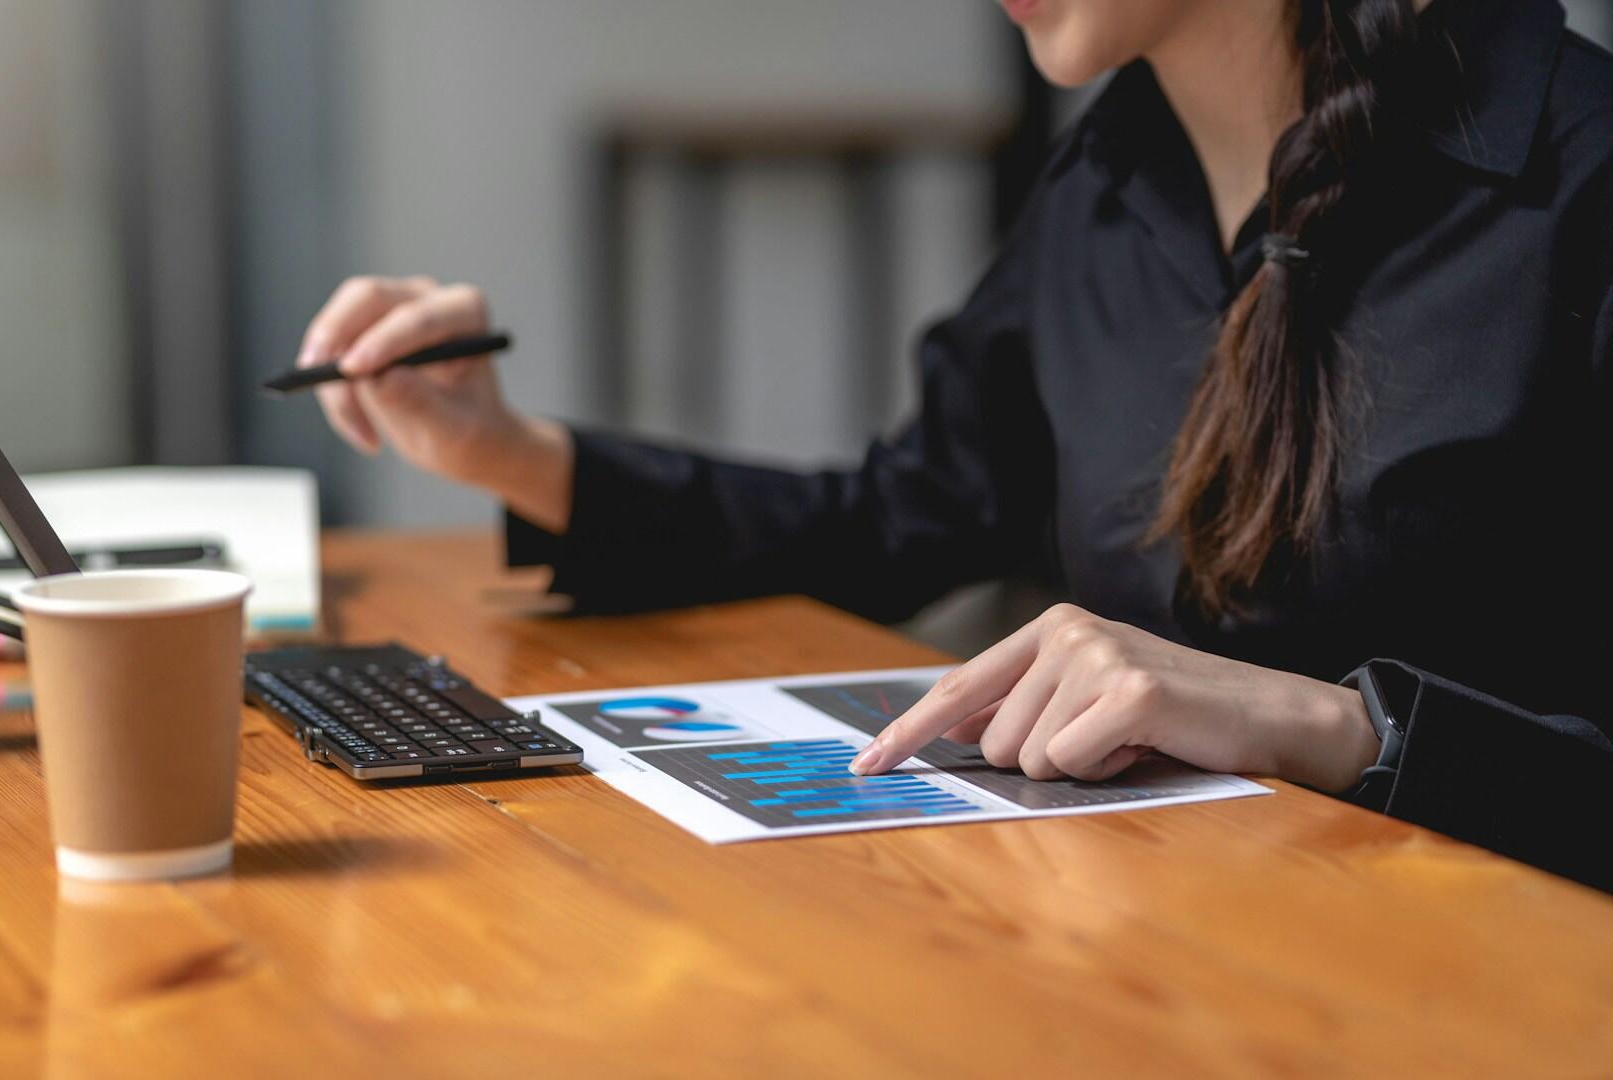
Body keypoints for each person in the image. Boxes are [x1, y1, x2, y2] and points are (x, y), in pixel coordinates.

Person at [294, 0, 1613, 890]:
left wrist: (1323, 724)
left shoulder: (1580, 175)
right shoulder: (1109, 181)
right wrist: (506, 446)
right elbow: (892, 525)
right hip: (1168, 963)